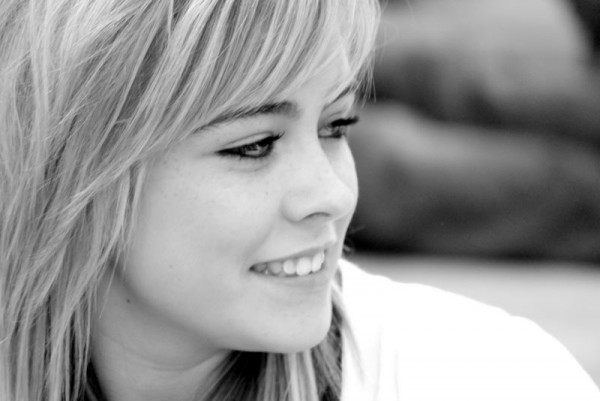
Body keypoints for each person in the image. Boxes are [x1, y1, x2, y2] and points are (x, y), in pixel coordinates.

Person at [0, 1, 598, 401]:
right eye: (254, 146)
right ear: (69, 165)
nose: (333, 195)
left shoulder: (488, 377)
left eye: (337, 126)